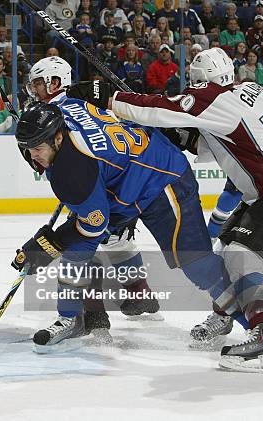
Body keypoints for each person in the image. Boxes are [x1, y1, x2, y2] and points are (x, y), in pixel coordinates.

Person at [12, 93, 236, 355]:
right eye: (28, 148)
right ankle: (70, 318)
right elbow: (89, 98)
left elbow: (93, 225)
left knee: (196, 263)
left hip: (161, 176)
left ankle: (252, 317)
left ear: (58, 138)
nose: (32, 155)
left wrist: (47, 245)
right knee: (77, 250)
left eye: (38, 148)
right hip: (122, 184)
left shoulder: (73, 171)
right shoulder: (63, 107)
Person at [108, 47, 263, 372]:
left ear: (202, 80)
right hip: (262, 193)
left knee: (243, 256)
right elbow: (226, 143)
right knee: (226, 248)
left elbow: (157, 108)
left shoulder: (214, 97)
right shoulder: (250, 92)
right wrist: (182, 134)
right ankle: (225, 315)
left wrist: (113, 98)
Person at [22, 57, 162, 343]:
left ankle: (89, 316)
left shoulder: (56, 110)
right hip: (127, 179)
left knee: (80, 244)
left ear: (55, 82)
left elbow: (54, 160)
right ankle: (140, 293)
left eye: (38, 83)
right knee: (113, 238)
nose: (33, 89)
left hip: (95, 184)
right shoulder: (84, 101)